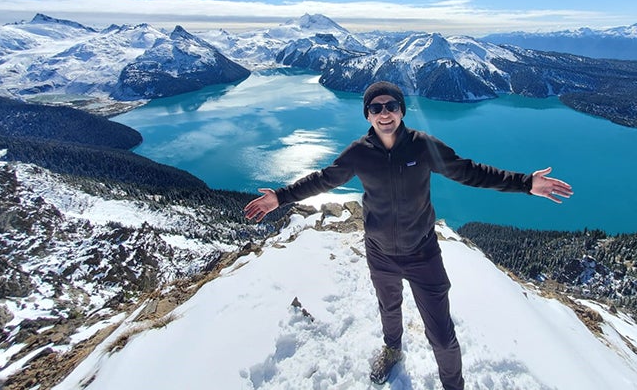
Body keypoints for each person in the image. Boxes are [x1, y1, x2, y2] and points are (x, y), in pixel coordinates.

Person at [244, 81, 573, 389]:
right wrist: (280, 197)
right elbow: (323, 179)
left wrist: (525, 184)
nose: (384, 113)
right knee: (389, 310)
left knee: (442, 335)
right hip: (379, 253)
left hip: (422, 254)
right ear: (368, 115)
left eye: (391, 106)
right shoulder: (358, 153)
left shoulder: (423, 146)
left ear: (401, 110)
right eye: (376, 108)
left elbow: (471, 172)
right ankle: (392, 351)